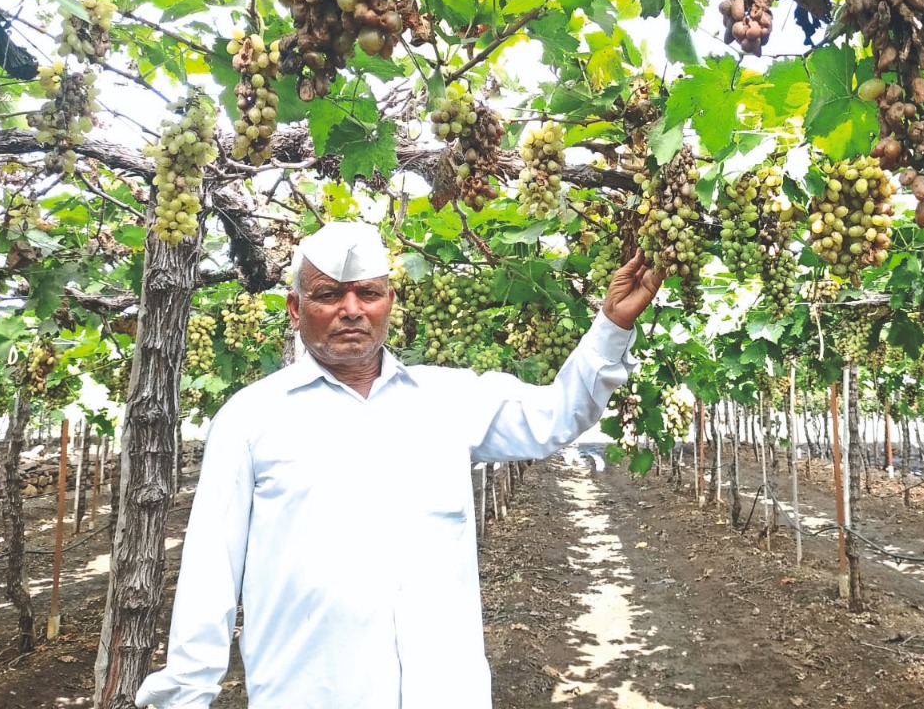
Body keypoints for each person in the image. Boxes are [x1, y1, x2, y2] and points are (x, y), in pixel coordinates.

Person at [136, 221, 664, 709]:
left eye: (367, 292)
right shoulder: (249, 419)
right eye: (327, 295)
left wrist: (611, 326)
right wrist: (185, 695)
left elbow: (555, 416)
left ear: (390, 301)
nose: (351, 309)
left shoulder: (448, 398)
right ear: (295, 309)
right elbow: (209, 577)